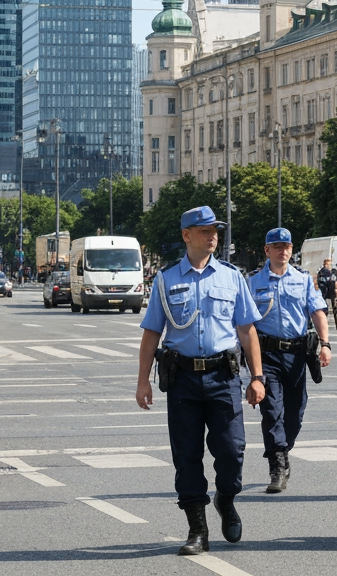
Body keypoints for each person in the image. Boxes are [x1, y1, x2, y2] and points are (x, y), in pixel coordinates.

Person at [135, 206, 266, 557]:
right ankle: (198, 529)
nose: (213, 236)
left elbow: (247, 329)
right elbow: (151, 333)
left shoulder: (231, 276)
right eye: (204, 230)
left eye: (215, 230)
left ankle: (226, 497)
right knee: (187, 456)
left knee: (232, 449)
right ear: (186, 236)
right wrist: (142, 381)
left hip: (223, 376)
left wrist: (257, 377)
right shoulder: (166, 279)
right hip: (183, 381)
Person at [249, 228, 332, 494]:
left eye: (286, 246)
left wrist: (325, 343)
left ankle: (283, 448)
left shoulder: (303, 280)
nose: (282, 251)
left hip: (296, 355)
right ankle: (277, 465)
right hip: (266, 356)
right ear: (267, 250)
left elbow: (317, 311)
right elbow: (244, 321)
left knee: (295, 413)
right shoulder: (253, 282)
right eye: (277, 246)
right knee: (272, 410)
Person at [315, 257, 337, 329]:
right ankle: (324, 321)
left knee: (330, 308)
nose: (329, 266)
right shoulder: (323, 272)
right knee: (325, 308)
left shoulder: (332, 272)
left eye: (330, 265)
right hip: (324, 292)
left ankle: (326, 321)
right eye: (328, 265)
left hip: (330, 291)